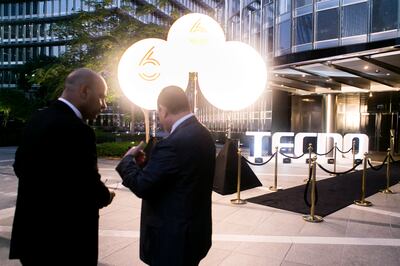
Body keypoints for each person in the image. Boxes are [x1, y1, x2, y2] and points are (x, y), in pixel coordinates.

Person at [9, 68, 115, 265]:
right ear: (84, 91)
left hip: (31, 240)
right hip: (66, 245)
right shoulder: (80, 131)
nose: (104, 105)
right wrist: (106, 195)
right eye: (101, 97)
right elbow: (88, 185)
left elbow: (19, 167)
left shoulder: (37, 119)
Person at [116, 85, 216, 266]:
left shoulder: (173, 142)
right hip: (194, 234)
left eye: (159, 113)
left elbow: (142, 186)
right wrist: (148, 165)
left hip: (172, 240)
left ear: (163, 109)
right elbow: (181, 176)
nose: (161, 120)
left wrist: (127, 161)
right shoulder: (204, 134)